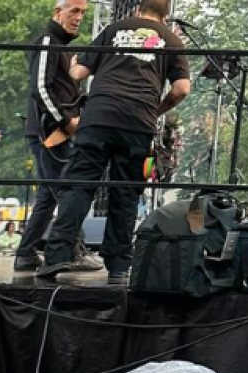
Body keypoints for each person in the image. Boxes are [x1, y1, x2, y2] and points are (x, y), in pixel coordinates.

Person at [37, 0, 190, 281]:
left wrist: (78, 62)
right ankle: (118, 265)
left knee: (79, 186)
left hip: (99, 117)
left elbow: (77, 72)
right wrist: (157, 109)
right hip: (138, 123)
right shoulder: (171, 40)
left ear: (137, 9)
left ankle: (56, 257)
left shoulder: (114, 28)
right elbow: (181, 89)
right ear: (166, 17)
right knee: (126, 192)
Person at [15, 0, 90, 272]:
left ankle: (25, 252)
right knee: (67, 190)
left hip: (49, 130)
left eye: (83, 13)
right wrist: (66, 120)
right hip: (50, 132)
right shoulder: (48, 41)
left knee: (50, 193)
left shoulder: (59, 46)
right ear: (57, 12)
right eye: (74, 11)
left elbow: (51, 89)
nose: (79, 17)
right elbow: (40, 88)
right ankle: (73, 251)